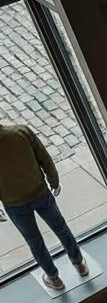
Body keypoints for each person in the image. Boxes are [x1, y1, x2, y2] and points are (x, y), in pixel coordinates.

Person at [0, 123, 87, 290]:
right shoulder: (21, 132)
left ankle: (54, 278)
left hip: (14, 204)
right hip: (40, 193)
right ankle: (79, 264)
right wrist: (53, 180)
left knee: (34, 241)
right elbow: (44, 158)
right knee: (61, 228)